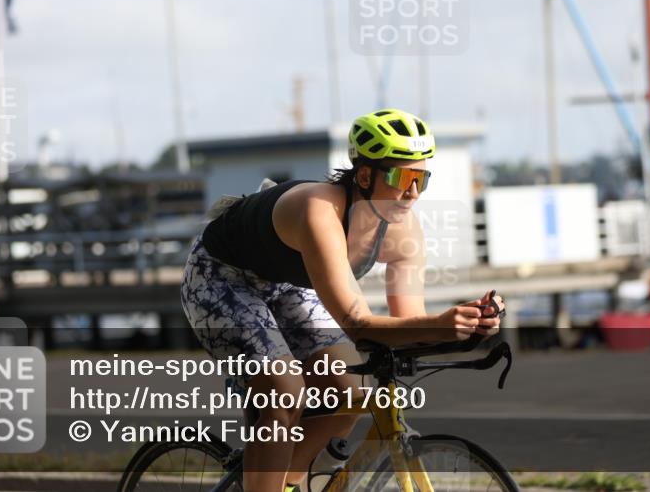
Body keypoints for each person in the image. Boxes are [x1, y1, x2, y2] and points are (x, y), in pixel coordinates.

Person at [181, 108, 504, 492]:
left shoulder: (404, 231)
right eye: (403, 176)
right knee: (285, 391)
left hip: (287, 283)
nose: (413, 192)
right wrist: (441, 324)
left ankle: (285, 484)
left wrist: (467, 324)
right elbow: (359, 325)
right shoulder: (319, 210)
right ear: (365, 175)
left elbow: (410, 322)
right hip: (222, 276)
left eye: (423, 178)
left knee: (350, 392)